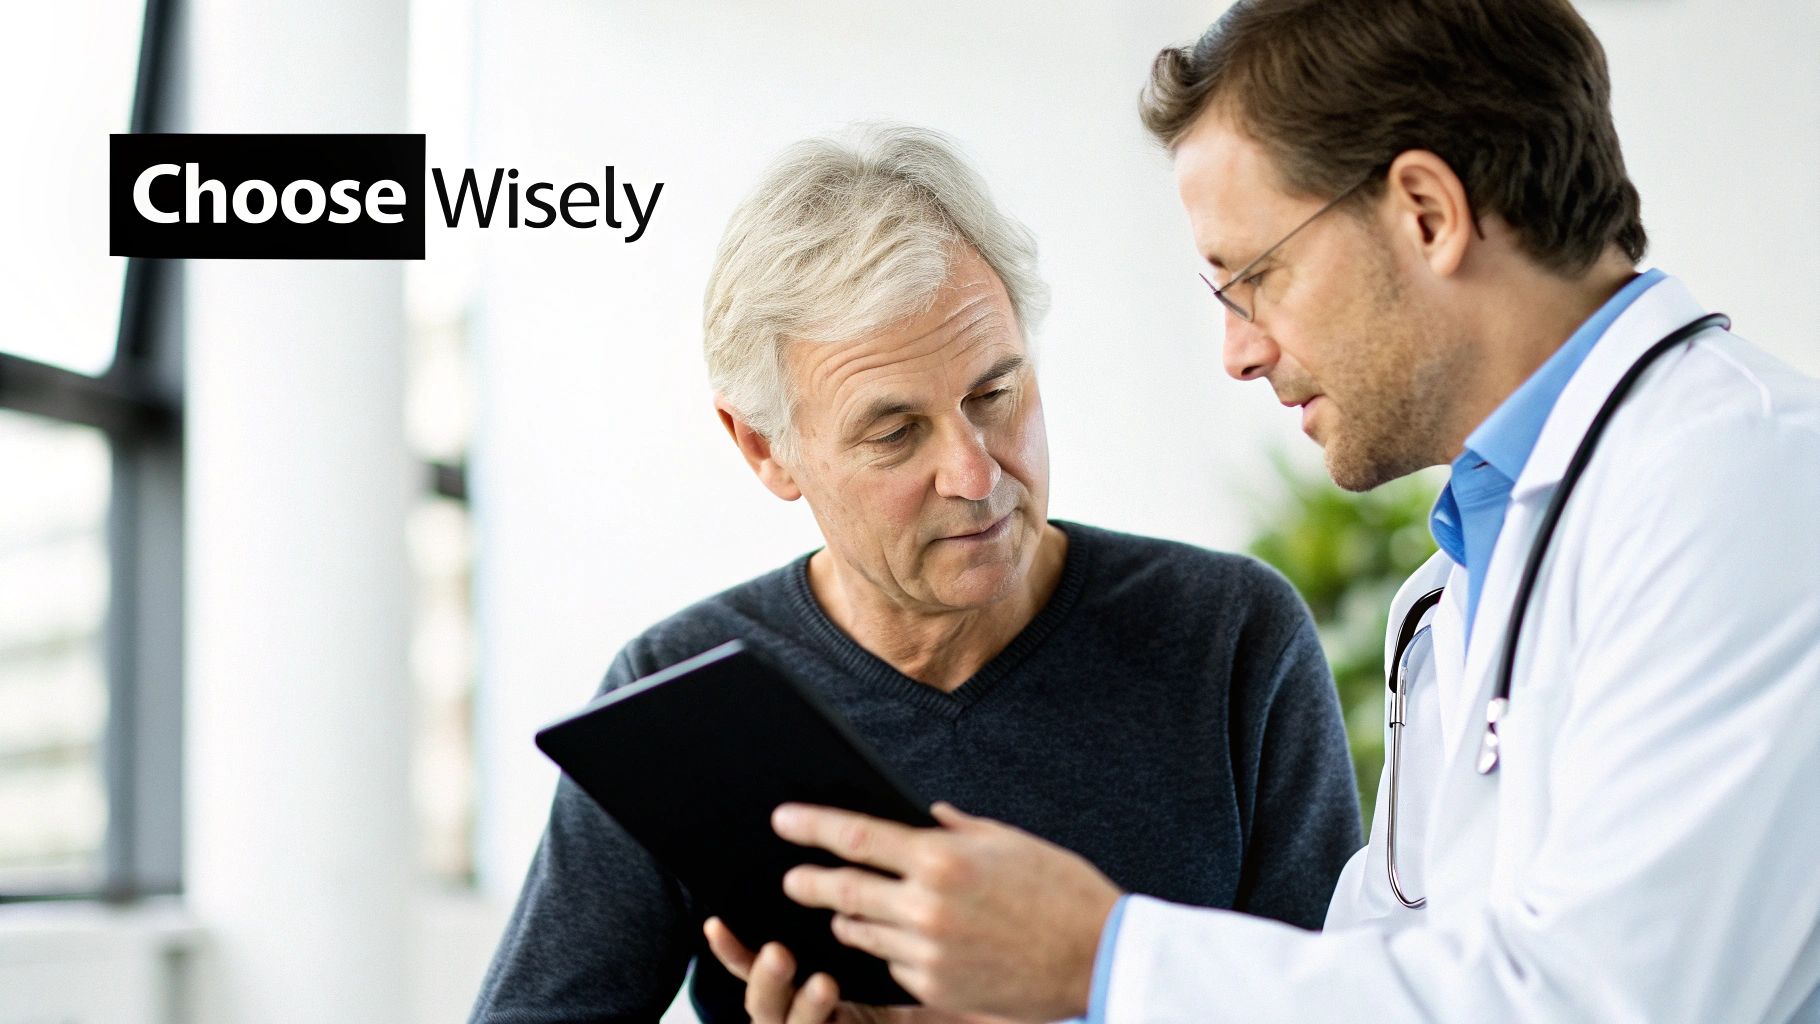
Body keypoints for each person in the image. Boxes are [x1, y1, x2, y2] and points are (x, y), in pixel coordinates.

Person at [738, 3, 1820, 1022]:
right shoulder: (1458, 580)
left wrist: (1103, 952)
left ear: (1425, 214)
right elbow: (1364, 976)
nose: (1237, 349)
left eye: (1250, 276)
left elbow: (1612, 1001)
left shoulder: (1743, 481)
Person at [467, 123, 1363, 1024]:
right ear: (764, 450)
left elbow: (1346, 1009)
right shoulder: (675, 697)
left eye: (995, 395)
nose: (977, 476)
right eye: (895, 433)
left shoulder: (1230, 638)